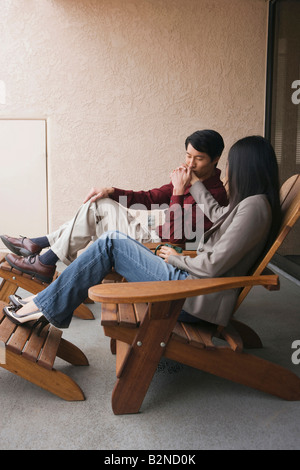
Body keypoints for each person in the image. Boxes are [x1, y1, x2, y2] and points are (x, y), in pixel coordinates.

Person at [3, 135, 281, 329]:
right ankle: (45, 298)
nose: (228, 170)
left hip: (194, 292)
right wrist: (193, 186)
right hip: (192, 283)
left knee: (111, 241)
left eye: (231, 165)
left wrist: (174, 257)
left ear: (245, 168)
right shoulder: (250, 204)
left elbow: (213, 265)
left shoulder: (254, 209)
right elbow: (218, 215)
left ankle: (43, 297)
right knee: (106, 228)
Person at [1, 129, 228, 283]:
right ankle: (42, 253)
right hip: (152, 236)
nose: (190, 163)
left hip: (161, 250)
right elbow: (149, 198)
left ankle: (43, 255)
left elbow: (174, 240)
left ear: (215, 158)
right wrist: (111, 190)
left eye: (198, 158)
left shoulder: (214, 195)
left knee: (98, 209)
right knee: (99, 203)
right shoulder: (190, 179)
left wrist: (178, 192)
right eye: (188, 156)